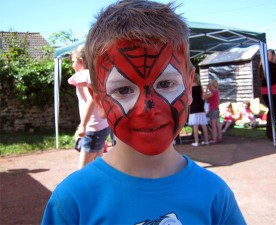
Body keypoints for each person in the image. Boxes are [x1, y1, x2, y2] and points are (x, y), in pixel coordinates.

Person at [42, 1, 246, 224]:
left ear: (189, 86)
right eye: (123, 89)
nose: (148, 109)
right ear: (99, 99)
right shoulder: (73, 202)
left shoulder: (215, 196)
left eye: (166, 84)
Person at [68, 45, 110, 169]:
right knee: (98, 165)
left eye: (73, 61)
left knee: (83, 170)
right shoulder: (94, 74)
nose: (72, 65)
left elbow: (92, 99)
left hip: (93, 128)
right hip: (102, 125)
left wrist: (83, 125)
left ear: (82, 60)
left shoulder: (83, 75)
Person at [259, 49, 276, 141]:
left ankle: (269, 132)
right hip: (274, 91)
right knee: (273, 112)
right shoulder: (273, 65)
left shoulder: (261, 65)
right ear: (273, 56)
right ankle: (272, 134)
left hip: (265, 91)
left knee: (271, 112)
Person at [187, 70, 209, 146]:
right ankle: (206, 141)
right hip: (201, 108)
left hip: (193, 108)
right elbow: (203, 97)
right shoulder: (201, 87)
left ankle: (196, 142)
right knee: (203, 125)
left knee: (195, 126)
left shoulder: (189, 88)